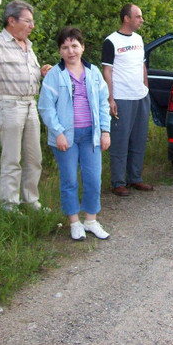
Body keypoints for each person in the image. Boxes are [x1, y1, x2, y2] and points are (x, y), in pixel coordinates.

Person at [0, 0, 51, 212]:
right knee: (11, 159)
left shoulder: (28, 46)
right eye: (28, 21)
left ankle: (31, 201)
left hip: (30, 105)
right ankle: (9, 206)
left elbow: (29, 74)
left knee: (34, 158)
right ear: (12, 21)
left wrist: (42, 72)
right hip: (9, 106)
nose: (32, 26)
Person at [38, 27, 111, 240]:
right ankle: (74, 223)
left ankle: (91, 221)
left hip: (91, 136)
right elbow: (46, 107)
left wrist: (105, 131)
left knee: (93, 179)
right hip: (65, 138)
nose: (71, 51)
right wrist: (58, 132)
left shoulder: (94, 73)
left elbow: (103, 104)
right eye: (65, 47)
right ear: (60, 51)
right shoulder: (54, 75)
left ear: (82, 47)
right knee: (69, 180)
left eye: (74, 46)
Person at [102, 4, 153, 197]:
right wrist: (110, 97)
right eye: (138, 16)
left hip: (140, 96)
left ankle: (135, 178)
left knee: (139, 139)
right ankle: (118, 182)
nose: (141, 20)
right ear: (126, 18)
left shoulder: (139, 39)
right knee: (120, 141)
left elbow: (142, 65)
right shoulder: (111, 41)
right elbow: (107, 70)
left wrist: (145, 87)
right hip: (121, 98)